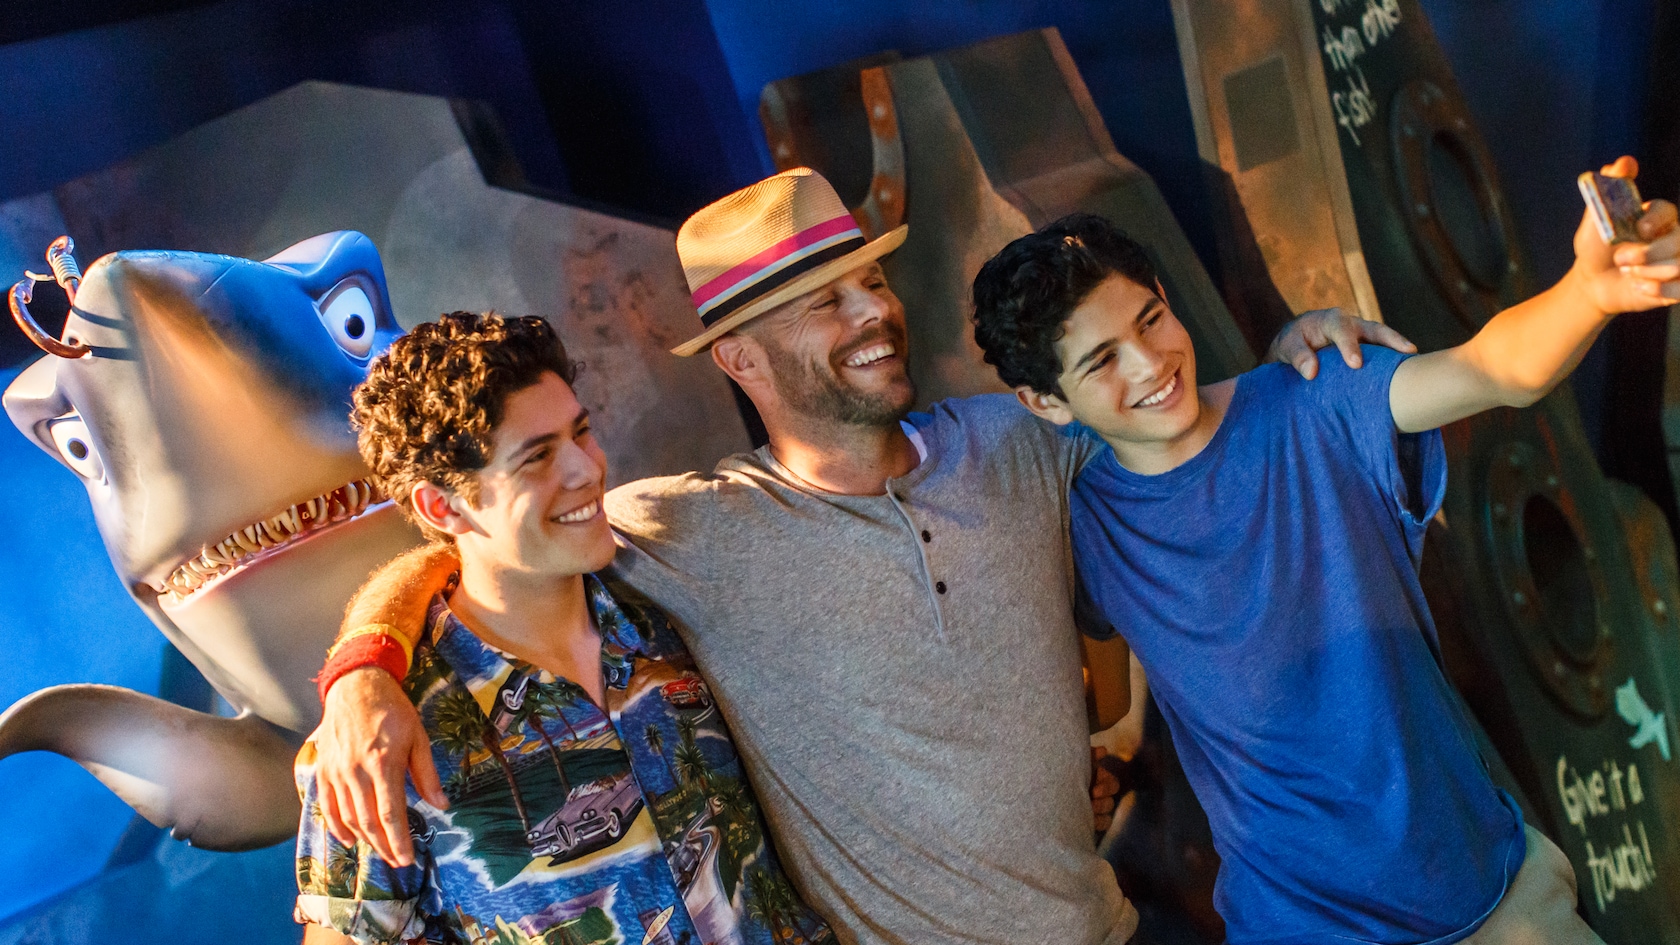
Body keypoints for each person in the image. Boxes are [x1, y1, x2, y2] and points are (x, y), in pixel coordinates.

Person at [308, 168, 1409, 945]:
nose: (875, 311)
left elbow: (1169, 415)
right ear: (740, 357)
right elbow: (471, 560)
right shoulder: (681, 533)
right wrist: (363, 666)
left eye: (871, 280)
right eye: (824, 302)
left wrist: (1293, 362)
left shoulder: (1016, 440)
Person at [967, 157, 1679, 945]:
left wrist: (1590, 292)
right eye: (1101, 361)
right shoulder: (1084, 527)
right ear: (1043, 401)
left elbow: (1494, 368)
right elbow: (1095, 691)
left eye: (1148, 320)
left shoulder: (1316, 399)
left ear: (1166, 297)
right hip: (1297, 924)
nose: (1150, 363)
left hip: (1481, 893)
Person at [295, 312, 833, 945]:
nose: (587, 469)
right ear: (444, 505)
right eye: (537, 457)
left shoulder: (663, 611)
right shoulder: (385, 738)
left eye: (581, 432)